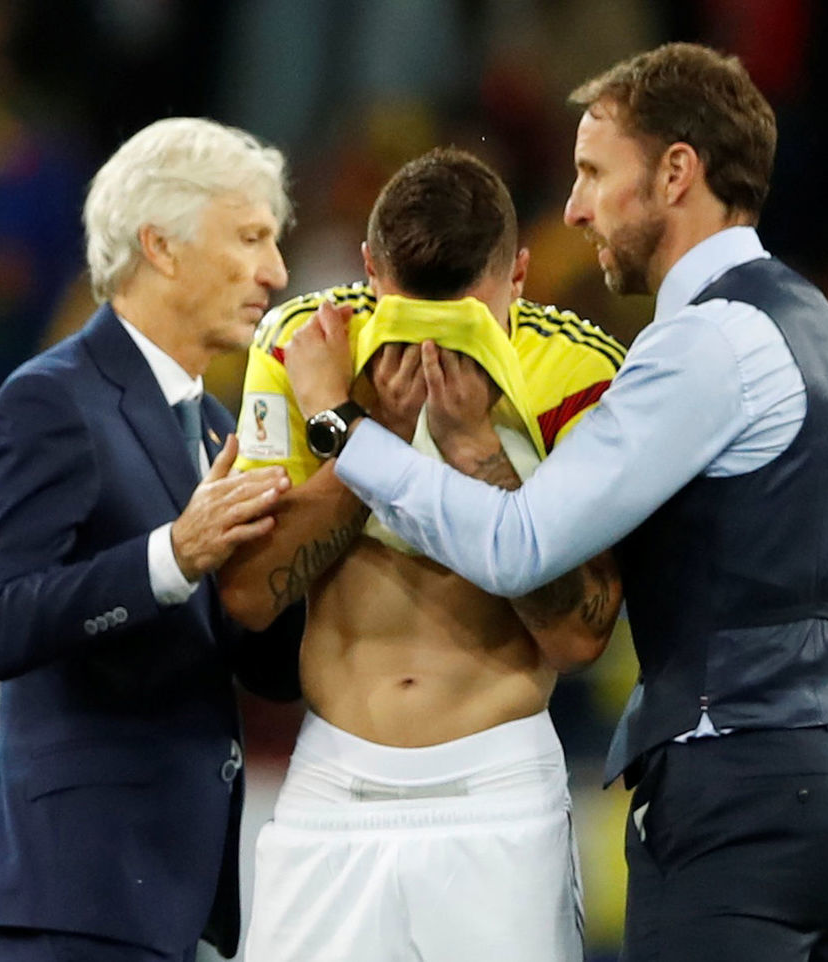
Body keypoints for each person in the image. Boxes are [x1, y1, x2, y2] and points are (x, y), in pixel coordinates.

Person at [285, 44, 828, 962]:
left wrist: (342, 429)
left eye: (593, 173)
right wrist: (469, 445)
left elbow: (519, 547)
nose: (576, 206)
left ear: (675, 172)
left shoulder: (704, 345)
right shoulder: (818, 322)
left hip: (745, 788)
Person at [217, 147, 624, 962]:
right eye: (410, 313)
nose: (433, 344)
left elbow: (578, 639)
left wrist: (477, 450)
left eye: (462, 316)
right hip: (332, 789)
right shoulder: (304, 346)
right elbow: (250, 598)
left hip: (498, 793)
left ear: (520, 275)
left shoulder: (580, 372)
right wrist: (369, 442)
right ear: (369, 270)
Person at [0, 117, 304, 962]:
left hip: (172, 888)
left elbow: (255, 662)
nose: (277, 270)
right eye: (252, 236)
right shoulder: (48, 399)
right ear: (162, 246)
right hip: (77, 884)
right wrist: (173, 556)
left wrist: (312, 545)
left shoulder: (219, 425)